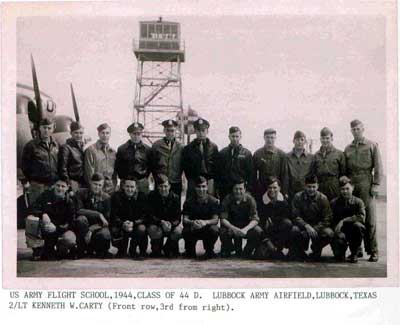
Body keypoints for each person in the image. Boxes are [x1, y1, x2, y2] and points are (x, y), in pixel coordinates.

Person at [344, 119, 382, 262]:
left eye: (358, 128)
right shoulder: (348, 148)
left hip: (366, 181)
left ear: (363, 129)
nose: (356, 131)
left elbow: (378, 167)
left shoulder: (372, 145)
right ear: (351, 131)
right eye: (353, 129)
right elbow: (345, 170)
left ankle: (373, 250)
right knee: (354, 216)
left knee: (370, 218)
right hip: (352, 184)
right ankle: (356, 250)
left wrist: (376, 185)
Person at [25, 176, 76, 261]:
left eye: (63, 186)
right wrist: (42, 214)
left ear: (67, 188)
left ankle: (61, 249)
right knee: (31, 219)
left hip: (59, 230)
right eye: (58, 185)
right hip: (46, 228)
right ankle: (37, 250)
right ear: (54, 186)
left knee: (69, 239)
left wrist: (57, 228)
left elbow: (71, 222)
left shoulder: (69, 202)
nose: (60, 188)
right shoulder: (46, 195)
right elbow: (32, 208)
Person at [290, 175, 334, 261]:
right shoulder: (298, 197)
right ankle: (300, 251)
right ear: (305, 186)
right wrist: (306, 226)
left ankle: (316, 249)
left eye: (314, 187)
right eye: (309, 187)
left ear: (317, 186)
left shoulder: (323, 198)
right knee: (294, 230)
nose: (311, 189)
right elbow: (295, 216)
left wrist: (315, 228)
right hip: (303, 226)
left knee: (329, 233)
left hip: (318, 227)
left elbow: (327, 218)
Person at [219, 178, 261, 258]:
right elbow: (223, 219)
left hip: (245, 227)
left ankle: (247, 251)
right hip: (231, 227)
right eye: (236, 189)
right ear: (232, 189)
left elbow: (255, 219)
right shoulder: (227, 199)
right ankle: (228, 248)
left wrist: (245, 229)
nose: (238, 191)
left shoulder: (250, 200)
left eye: (241, 189)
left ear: (245, 189)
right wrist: (233, 228)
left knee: (257, 231)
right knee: (222, 231)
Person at [21, 118, 59, 204]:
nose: (46, 131)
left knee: (52, 212)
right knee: (38, 212)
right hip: (37, 186)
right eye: (44, 127)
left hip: (53, 185)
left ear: (53, 129)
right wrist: (31, 181)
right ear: (40, 128)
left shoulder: (56, 145)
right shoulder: (31, 146)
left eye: (49, 128)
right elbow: (24, 166)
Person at [255, 177, 294, 260]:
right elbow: (259, 225)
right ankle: (272, 250)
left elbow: (287, 222)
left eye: (275, 187)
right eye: (270, 187)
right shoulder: (261, 202)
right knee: (260, 255)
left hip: (280, 234)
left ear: (279, 188)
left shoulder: (285, 202)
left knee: (287, 223)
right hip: (266, 234)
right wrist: (268, 242)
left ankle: (279, 250)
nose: (272, 190)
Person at [75, 173, 112, 258]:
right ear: (90, 182)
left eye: (100, 185)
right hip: (84, 226)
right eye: (95, 184)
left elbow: (107, 221)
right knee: (81, 219)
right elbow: (79, 210)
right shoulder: (81, 193)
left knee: (105, 234)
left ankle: (100, 250)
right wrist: (98, 214)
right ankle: (82, 249)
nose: (97, 187)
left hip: (98, 226)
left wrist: (91, 230)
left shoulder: (106, 198)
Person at [110, 176, 148, 259]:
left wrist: (133, 223)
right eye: (127, 186)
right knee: (114, 229)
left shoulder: (142, 197)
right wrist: (122, 223)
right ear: (123, 186)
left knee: (142, 228)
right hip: (122, 224)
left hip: (136, 224)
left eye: (132, 187)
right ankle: (121, 250)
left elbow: (144, 216)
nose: (129, 189)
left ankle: (133, 250)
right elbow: (113, 215)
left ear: (136, 187)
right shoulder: (116, 196)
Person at [182, 176, 220, 259]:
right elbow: (184, 219)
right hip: (194, 228)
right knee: (186, 230)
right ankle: (190, 250)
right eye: (198, 187)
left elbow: (215, 219)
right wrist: (193, 222)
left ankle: (209, 250)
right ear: (195, 188)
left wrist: (205, 222)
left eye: (203, 186)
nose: (201, 189)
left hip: (206, 228)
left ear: (207, 187)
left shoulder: (213, 201)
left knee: (215, 229)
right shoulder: (189, 202)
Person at [330, 176, 366, 263]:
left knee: (358, 226)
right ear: (339, 189)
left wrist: (344, 220)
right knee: (339, 258)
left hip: (352, 230)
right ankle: (341, 252)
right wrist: (337, 231)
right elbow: (331, 219)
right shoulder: (334, 202)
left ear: (352, 188)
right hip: (340, 231)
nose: (345, 191)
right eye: (342, 189)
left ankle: (354, 253)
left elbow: (361, 217)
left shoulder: (358, 202)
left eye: (347, 188)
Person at [182, 118, 219, 198]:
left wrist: (211, 179)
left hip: (209, 180)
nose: (201, 133)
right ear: (195, 131)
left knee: (210, 202)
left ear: (207, 131)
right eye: (198, 130)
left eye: (203, 130)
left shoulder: (213, 147)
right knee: (192, 203)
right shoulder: (188, 148)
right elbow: (186, 166)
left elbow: (216, 165)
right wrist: (193, 178)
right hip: (194, 180)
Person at [147, 174, 182, 258]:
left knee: (178, 231)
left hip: (170, 225)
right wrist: (160, 222)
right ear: (157, 187)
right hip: (157, 224)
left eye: (165, 186)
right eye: (161, 186)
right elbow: (150, 215)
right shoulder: (152, 196)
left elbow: (178, 218)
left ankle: (168, 248)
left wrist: (171, 224)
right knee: (153, 229)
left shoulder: (175, 198)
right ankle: (156, 249)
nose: (163, 189)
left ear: (169, 186)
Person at [216, 126, 253, 201]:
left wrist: (248, 190)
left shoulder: (247, 153)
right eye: (233, 136)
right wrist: (217, 188)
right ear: (229, 137)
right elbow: (218, 172)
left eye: (237, 136)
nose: (235, 139)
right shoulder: (222, 153)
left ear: (240, 137)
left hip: (240, 190)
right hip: (225, 190)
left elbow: (251, 174)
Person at [309, 127, 346, 201]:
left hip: (334, 186)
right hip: (320, 186)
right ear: (320, 139)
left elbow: (343, 173)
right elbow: (313, 173)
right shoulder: (316, 155)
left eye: (327, 138)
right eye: (323, 138)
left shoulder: (339, 154)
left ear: (332, 138)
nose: (325, 140)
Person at [253, 128, 288, 202]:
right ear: (264, 138)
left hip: (276, 189)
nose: (269, 140)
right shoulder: (257, 154)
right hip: (261, 189)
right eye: (267, 137)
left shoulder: (281, 155)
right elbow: (253, 175)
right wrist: (255, 190)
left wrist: (284, 192)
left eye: (272, 137)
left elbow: (284, 175)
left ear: (275, 138)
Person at [150, 119, 184, 197]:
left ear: (176, 131)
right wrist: (157, 178)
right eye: (168, 131)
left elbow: (183, 165)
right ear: (164, 131)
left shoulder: (181, 147)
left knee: (175, 205)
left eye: (172, 131)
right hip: (161, 183)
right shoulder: (156, 146)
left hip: (175, 182)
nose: (170, 133)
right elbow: (152, 165)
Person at [115, 122, 151, 194]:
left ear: (141, 134)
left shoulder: (147, 149)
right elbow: (118, 166)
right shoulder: (122, 149)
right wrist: (124, 179)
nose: (136, 136)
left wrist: (144, 177)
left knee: (142, 203)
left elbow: (150, 166)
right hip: (126, 183)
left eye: (138, 134)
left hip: (141, 182)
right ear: (130, 134)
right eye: (134, 134)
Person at [84, 123, 117, 194]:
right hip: (97, 189)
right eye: (103, 133)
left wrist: (113, 187)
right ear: (98, 134)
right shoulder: (91, 150)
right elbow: (89, 172)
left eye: (107, 133)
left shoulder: (113, 152)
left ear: (110, 135)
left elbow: (115, 173)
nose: (105, 135)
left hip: (110, 190)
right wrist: (95, 188)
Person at [58, 121, 86, 191]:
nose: (79, 135)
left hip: (83, 181)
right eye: (76, 133)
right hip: (73, 181)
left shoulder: (82, 146)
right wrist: (68, 184)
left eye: (81, 133)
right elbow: (63, 168)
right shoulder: (66, 147)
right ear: (71, 133)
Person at [286, 130, 313, 201]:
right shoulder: (287, 157)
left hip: (306, 190)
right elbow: (285, 175)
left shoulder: (311, 157)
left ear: (305, 141)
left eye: (302, 140)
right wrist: (285, 192)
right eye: (297, 140)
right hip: (291, 191)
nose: (299, 142)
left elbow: (313, 174)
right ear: (293, 141)